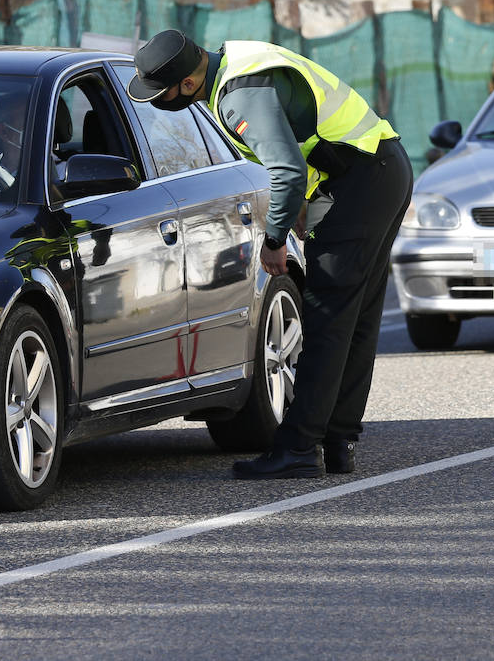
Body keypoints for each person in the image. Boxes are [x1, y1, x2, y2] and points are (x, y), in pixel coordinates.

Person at [126, 29, 412, 479]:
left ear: (185, 84)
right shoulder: (240, 60)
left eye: (160, 93)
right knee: (353, 319)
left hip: (358, 184)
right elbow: (300, 144)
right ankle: (338, 443)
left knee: (326, 318)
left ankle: (298, 449)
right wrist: (300, 207)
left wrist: (275, 240)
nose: (159, 101)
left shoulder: (238, 97)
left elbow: (286, 169)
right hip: (378, 170)